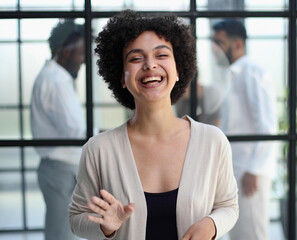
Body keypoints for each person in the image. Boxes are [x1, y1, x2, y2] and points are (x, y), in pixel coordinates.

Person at [69, 10, 238, 240]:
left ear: (178, 69)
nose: (150, 65)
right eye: (136, 58)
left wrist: (212, 224)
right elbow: (76, 218)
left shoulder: (212, 141)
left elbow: (229, 206)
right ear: (122, 77)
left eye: (161, 55)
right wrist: (105, 226)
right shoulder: (99, 149)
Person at [212, 19, 278, 240]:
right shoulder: (232, 74)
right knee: (239, 233)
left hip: (250, 173)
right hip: (237, 169)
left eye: (219, 42)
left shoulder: (252, 72)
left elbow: (267, 125)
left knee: (253, 233)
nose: (214, 49)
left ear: (237, 44)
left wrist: (254, 169)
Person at [30, 19, 85, 240]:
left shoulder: (54, 78)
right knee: (62, 235)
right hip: (60, 169)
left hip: (60, 169)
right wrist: (110, 133)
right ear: (65, 53)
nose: (83, 61)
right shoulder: (56, 81)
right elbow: (76, 130)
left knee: (63, 231)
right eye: (81, 54)